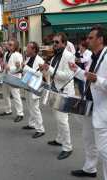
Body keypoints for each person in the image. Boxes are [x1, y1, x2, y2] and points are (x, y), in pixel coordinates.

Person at [69, 25, 107, 179]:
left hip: (102, 110)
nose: (87, 40)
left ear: (101, 39)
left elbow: (96, 79)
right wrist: (77, 71)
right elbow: (89, 77)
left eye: (91, 38)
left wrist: (97, 79)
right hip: (90, 106)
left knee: (104, 151)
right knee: (87, 139)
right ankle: (90, 168)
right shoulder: (95, 56)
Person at [39, 32, 75, 160]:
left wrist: (50, 69)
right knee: (57, 117)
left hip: (64, 91)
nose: (54, 44)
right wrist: (44, 70)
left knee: (62, 120)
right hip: (55, 90)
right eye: (53, 42)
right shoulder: (55, 57)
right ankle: (60, 139)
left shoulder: (69, 56)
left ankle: (67, 147)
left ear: (64, 43)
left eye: (57, 42)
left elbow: (68, 76)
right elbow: (51, 74)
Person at [22, 42, 45, 139]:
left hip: (35, 86)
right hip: (28, 85)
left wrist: (26, 68)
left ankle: (40, 129)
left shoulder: (40, 60)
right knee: (30, 106)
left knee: (35, 108)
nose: (26, 49)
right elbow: (27, 71)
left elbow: (39, 74)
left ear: (34, 50)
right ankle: (32, 124)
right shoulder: (29, 58)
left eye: (28, 48)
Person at [0, 38, 24, 123]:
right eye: (8, 44)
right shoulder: (6, 54)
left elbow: (19, 68)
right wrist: (3, 69)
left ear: (15, 46)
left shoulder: (18, 55)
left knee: (16, 95)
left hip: (14, 77)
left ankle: (20, 113)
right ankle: (8, 110)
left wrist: (9, 68)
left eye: (11, 45)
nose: (8, 46)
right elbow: (6, 65)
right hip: (6, 76)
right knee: (5, 94)